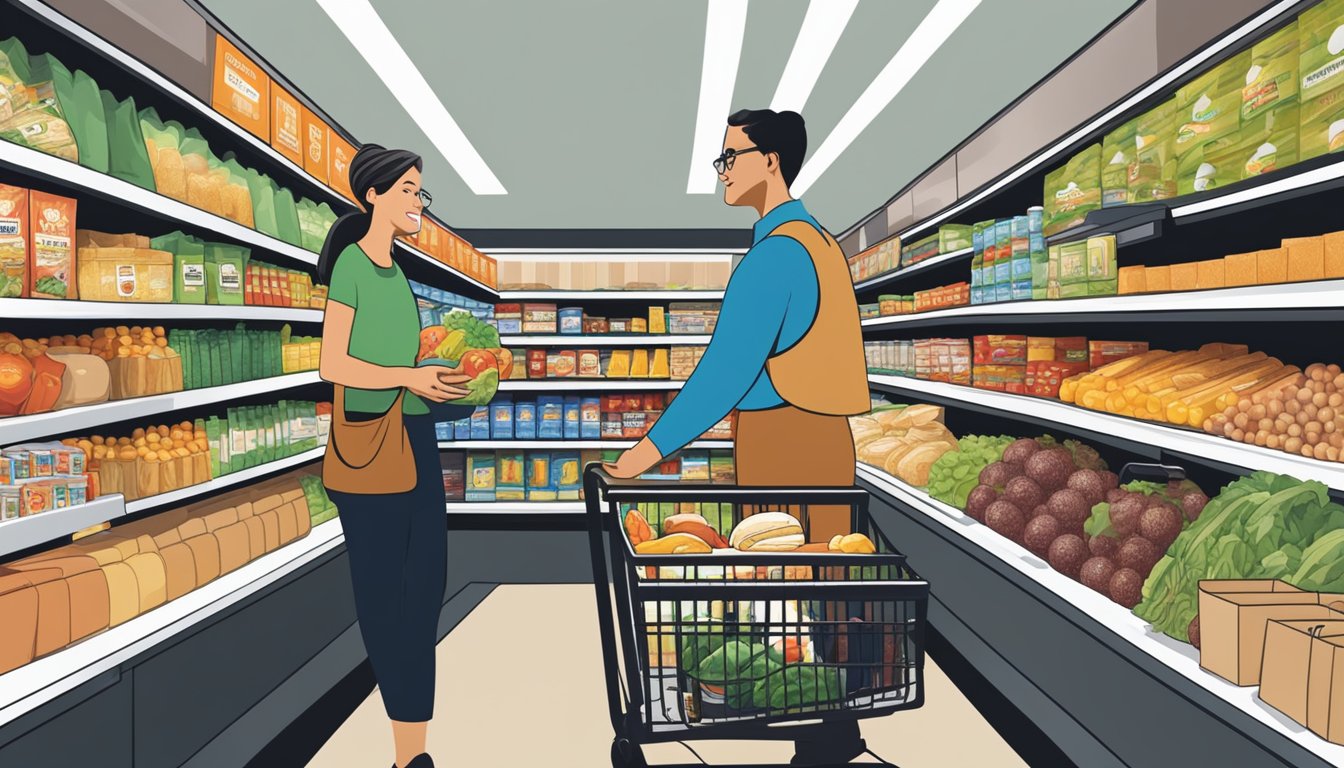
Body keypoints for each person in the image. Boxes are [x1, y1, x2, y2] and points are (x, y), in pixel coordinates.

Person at [605, 109, 871, 765]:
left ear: (770, 160)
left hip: (787, 441)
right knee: (822, 578)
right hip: (822, 437)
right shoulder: (820, 243)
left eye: (730, 156)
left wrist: (643, 453)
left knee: (786, 583)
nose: (722, 170)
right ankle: (830, 724)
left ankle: (811, 719)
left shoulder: (775, 256)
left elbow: (724, 373)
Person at [318, 145, 473, 768]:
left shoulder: (397, 273)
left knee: (425, 591)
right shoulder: (354, 266)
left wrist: (444, 380)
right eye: (409, 190)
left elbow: (398, 364)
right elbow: (334, 363)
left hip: (415, 440)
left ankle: (413, 751)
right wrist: (409, 379)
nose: (418, 202)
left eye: (420, 191)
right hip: (369, 447)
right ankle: (410, 754)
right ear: (373, 196)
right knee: (386, 599)